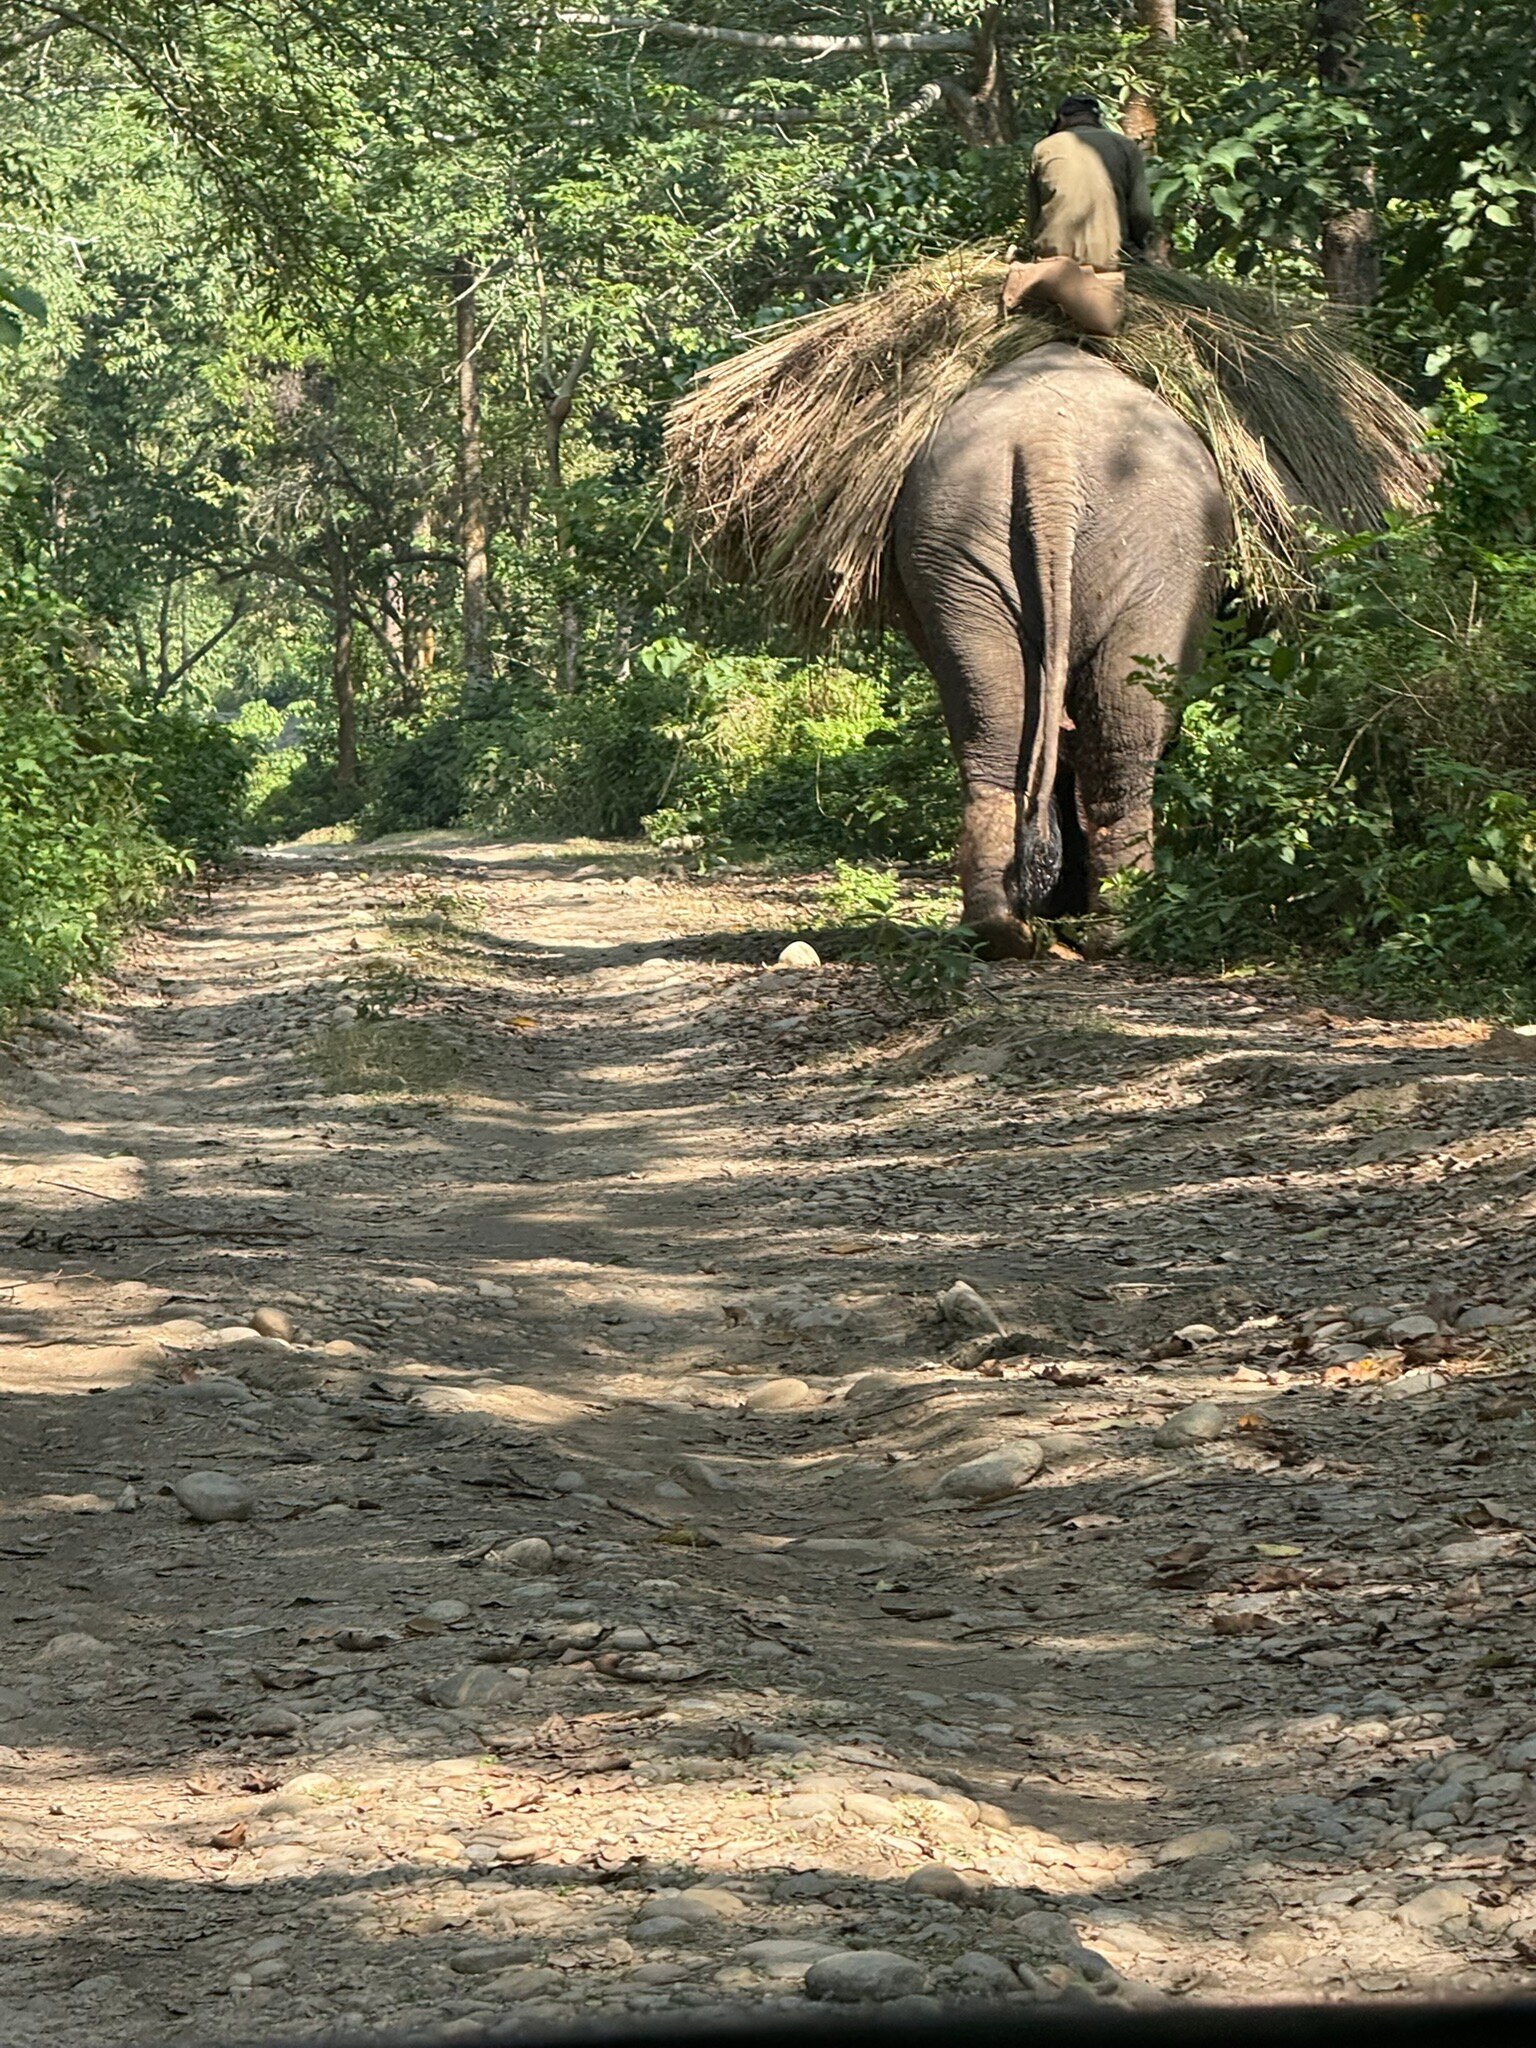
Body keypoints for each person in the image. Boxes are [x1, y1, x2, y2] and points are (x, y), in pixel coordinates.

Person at [1001, 94, 1157, 337]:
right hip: (1111, 261)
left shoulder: (1044, 147)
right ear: (1098, 119)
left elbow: (1033, 220)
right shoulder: (1125, 146)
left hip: (1053, 261)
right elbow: (1142, 214)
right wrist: (1138, 247)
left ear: (1062, 118)